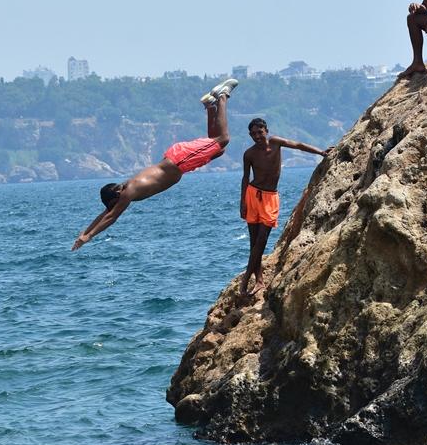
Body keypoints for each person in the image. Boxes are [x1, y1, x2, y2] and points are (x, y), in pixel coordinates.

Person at [72, 78, 238, 251]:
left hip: (179, 161)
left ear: (116, 194)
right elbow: (106, 214)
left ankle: (222, 96)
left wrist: (88, 237)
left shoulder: (129, 191)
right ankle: (211, 106)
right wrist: (85, 231)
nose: (116, 206)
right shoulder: (124, 191)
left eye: (114, 203)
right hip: (181, 163)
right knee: (217, 148)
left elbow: (111, 217)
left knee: (222, 139)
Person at [238, 118, 327, 296]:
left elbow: (299, 145)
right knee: (254, 242)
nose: (257, 136)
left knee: (262, 240)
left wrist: (321, 152)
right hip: (253, 195)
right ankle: (259, 281)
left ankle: (246, 280)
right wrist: (243, 203)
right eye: (253, 133)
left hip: (270, 198)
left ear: (266, 130)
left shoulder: (276, 143)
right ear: (250, 135)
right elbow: (245, 178)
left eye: (260, 132)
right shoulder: (249, 154)